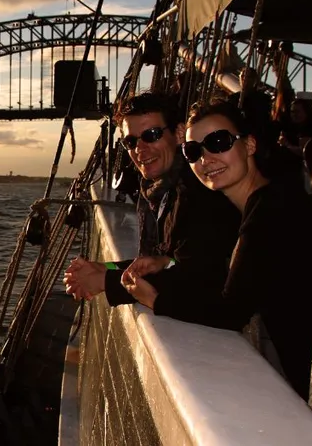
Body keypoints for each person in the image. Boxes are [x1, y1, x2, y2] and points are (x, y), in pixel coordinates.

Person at [122, 102, 312, 421]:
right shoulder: (268, 202)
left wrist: (156, 300)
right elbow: (241, 275)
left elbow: (231, 310)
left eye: (218, 142)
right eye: (193, 151)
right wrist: (167, 263)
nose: (206, 159)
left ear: (250, 144)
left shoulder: (269, 213)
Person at [63, 92, 239, 306]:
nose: (140, 149)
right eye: (130, 141)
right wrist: (107, 267)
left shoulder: (201, 192)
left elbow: (200, 279)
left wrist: (104, 281)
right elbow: (173, 261)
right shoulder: (160, 190)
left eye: (152, 134)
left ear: (179, 133)